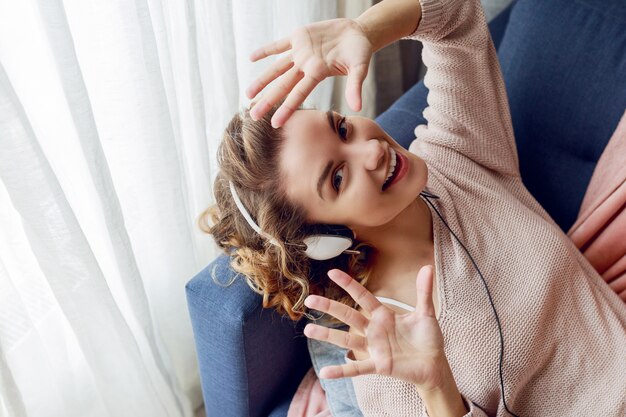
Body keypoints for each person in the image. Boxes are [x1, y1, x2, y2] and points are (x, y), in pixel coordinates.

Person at [200, 0, 626, 415]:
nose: (371, 150)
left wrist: (364, 30)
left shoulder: (457, 154)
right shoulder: (383, 350)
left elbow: (455, 18)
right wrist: (436, 386)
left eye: (342, 127)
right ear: (319, 239)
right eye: (337, 177)